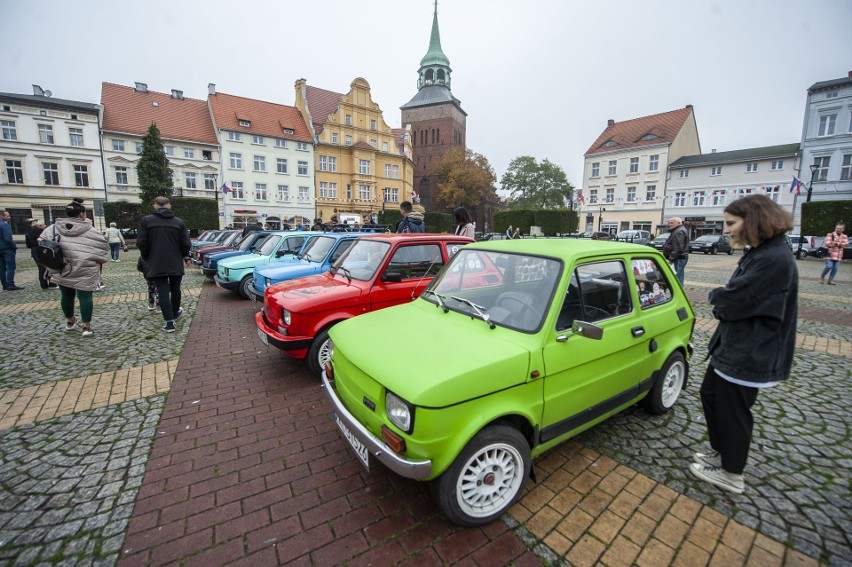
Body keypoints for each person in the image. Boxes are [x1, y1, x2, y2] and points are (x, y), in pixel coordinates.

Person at [689, 194, 797, 495]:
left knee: (732, 411)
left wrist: (717, 298)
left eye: (730, 223)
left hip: (749, 351)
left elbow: (733, 299)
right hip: (735, 347)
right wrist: (724, 299)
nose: (726, 230)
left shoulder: (773, 258)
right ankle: (722, 454)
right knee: (711, 395)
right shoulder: (763, 251)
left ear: (753, 221)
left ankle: (731, 473)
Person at [39, 199, 109, 336]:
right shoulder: (91, 230)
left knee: (66, 295)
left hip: (61, 267)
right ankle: (86, 327)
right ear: (82, 214)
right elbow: (102, 248)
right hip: (84, 267)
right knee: (85, 296)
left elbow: (42, 244)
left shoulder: (52, 228)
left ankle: (70, 321)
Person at [137, 196, 192, 333]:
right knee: (175, 289)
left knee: (162, 291)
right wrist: (185, 255)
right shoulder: (178, 222)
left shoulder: (146, 221)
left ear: (155, 206)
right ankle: (174, 313)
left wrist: (147, 256)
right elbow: (185, 243)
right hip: (175, 260)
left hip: (156, 261)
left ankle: (169, 323)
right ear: (169, 206)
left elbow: (142, 243)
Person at [25, 219, 57, 289]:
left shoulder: (29, 233)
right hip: (43, 251)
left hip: (34, 252)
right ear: (39, 226)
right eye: (43, 224)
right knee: (49, 267)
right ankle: (52, 283)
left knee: (41, 269)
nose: (45, 226)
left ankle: (43, 285)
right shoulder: (42, 233)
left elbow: (28, 245)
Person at [0, 209, 23, 291]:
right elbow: (8, 238)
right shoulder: (4, 225)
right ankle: (10, 284)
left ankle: (5, 285)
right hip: (7, 248)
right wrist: (14, 246)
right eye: (7, 216)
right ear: (1, 216)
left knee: (2, 267)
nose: (9, 217)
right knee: (11, 267)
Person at [662, 217, 690, 284]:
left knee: (675, 279)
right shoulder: (678, 230)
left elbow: (678, 248)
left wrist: (671, 259)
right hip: (680, 258)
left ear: (679, 223)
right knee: (679, 278)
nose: (670, 224)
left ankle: (677, 292)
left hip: (678, 259)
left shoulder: (678, 232)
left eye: (672, 223)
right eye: (669, 223)